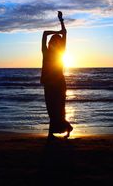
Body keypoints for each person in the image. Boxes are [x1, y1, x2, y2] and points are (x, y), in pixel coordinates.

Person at [41, 11, 73, 139]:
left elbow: (64, 33)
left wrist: (61, 21)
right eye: (54, 41)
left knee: (58, 108)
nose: (55, 43)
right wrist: (57, 32)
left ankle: (63, 129)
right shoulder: (46, 52)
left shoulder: (60, 52)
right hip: (49, 83)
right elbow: (44, 34)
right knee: (51, 108)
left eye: (56, 41)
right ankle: (56, 131)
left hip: (58, 83)